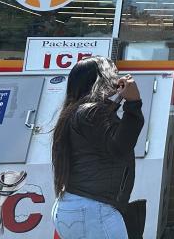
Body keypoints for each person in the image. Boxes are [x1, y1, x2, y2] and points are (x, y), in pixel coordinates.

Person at [51, 56, 144, 239]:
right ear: (102, 78)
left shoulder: (77, 111)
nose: (117, 79)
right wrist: (133, 103)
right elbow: (120, 147)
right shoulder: (91, 112)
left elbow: (104, 128)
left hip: (74, 206)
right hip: (94, 210)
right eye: (114, 73)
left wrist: (118, 100)